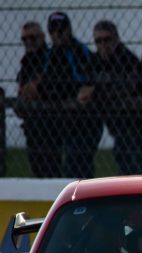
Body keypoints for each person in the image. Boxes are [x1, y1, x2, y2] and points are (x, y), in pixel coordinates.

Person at [37, 12, 102, 179]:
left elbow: (82, 82)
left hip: (83, 121)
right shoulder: (49, 55)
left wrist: (57, 91)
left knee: (77, 164)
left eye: (61, 30)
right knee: (51, 164)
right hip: (60, 119)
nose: (57, 34)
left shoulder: (79, 51)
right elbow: (44, 84)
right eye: (53, 30)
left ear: (69, 30)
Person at [80, 20, 142, 175]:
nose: (102, 45)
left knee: (132, 164)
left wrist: (96, 92)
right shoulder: (94, 62)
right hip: (109, 120)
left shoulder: (128, 60)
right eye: (98, 41)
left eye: (107, 39)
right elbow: (84, 86)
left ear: (116, 39)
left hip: (132, 123)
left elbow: (128, 87)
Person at [15, 22, 55, 177]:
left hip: (50, 124)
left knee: (51, 166)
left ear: (42, 37)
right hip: (31, 123)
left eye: (32, 37)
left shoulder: (51, 58)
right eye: (25, 39)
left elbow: (50, 88)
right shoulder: (26, 62)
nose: (29, 42)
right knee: (36, 166)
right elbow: (22, 91)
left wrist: (37, 89)